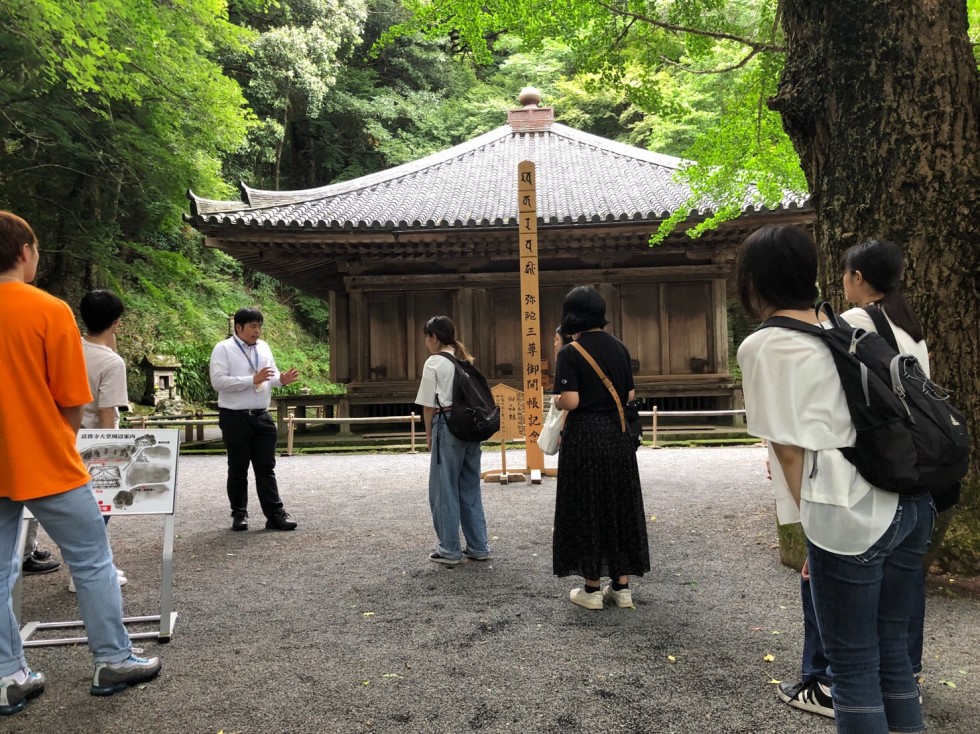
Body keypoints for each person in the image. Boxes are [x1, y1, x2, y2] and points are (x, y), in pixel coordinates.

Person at [737, 225, 932, 734]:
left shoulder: (764, 346)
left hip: (849, 512)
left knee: (852, 671)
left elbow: (787, 448)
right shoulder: (845, 327)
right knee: (893, 657)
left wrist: (810, 528)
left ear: (753, 283)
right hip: (911, 499)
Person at [0, 211, 161, 717]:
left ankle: (9, 674)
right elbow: (72, 399)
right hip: (47, 458)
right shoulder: (47, 310)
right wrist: (59, 440)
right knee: (92, 561)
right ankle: (112, 659)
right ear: (25, 251)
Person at [552, 286, 649, 609]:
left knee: (588, 507)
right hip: (618, 437)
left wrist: (556, 398)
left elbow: (571, 401)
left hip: (585, 439)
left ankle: (591, 589)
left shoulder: (570, 352)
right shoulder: (619, 348)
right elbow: (630, 396)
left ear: (571, 314)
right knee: (617, 505)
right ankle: (621, 587)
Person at [210, 307, 300, 532]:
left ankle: (275, 514)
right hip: (235, 416)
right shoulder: (224, 349)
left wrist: (282, 379)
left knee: (266, 467)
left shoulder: (264, 347)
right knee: (238, 467)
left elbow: (272, 376)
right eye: (252, 326)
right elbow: (218, 382)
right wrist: (252, 379)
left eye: (259, 326)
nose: (257, 330)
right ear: (238, 327)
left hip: (262, 415)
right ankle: (239, 514)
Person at [414, 316, 490, 565]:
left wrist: (427, 434)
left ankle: (449, 548)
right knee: (469, 487)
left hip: (446, 426)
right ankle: (478, 546)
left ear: (434, 337)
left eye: (427, 337)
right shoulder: (464, 360)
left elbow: (427, 406)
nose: (426, 342)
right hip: (471, 429)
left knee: (444, 487)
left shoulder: (434, 363)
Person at [74, 289, 130, 592]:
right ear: (117, 322)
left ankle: (94, 565)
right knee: (100, 509)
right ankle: (89, 572)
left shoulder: (70, 349)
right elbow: (107, 410)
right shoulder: (111, 364)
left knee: (81, 510)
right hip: (96, 442)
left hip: (68, 437)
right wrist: (111, 454)